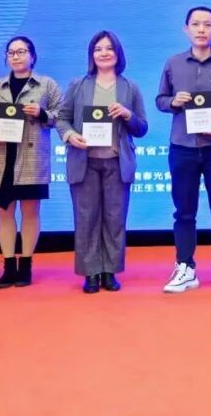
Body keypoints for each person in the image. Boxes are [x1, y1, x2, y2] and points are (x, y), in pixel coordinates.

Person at [155, 7, 211, 293]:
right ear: (186, 29)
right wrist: (173, 102)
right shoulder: (173, 63)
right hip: (183, 146)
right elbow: (160, 99)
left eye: (207, 24)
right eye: (196, 24)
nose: (201, 29)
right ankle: (185, 267)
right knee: (184, 211)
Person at [57, 31, 148, 293]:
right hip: (84, 162)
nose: (104, 53)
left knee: (115, 219)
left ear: (118, 54)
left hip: (117, 162)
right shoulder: (78, 85)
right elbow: (62, 118)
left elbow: (142, 128)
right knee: (86, 219)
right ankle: (90, 273)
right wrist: (70, 135)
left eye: (109, 48)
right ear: (91, 55)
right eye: (98, 49)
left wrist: (128, 115)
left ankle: (110, 272)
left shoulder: (129, 87)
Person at [0, 36, 63, 288]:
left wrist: (42, 113)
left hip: (31, 159)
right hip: (1, 158)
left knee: (30, 211)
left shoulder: (47, 85)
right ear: (6, 57)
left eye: (22, 51)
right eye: (11, 52)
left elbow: (62, 115)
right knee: (4, 213)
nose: (16, 56)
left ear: (32, 56)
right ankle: (8, 266)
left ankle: (25, 265)